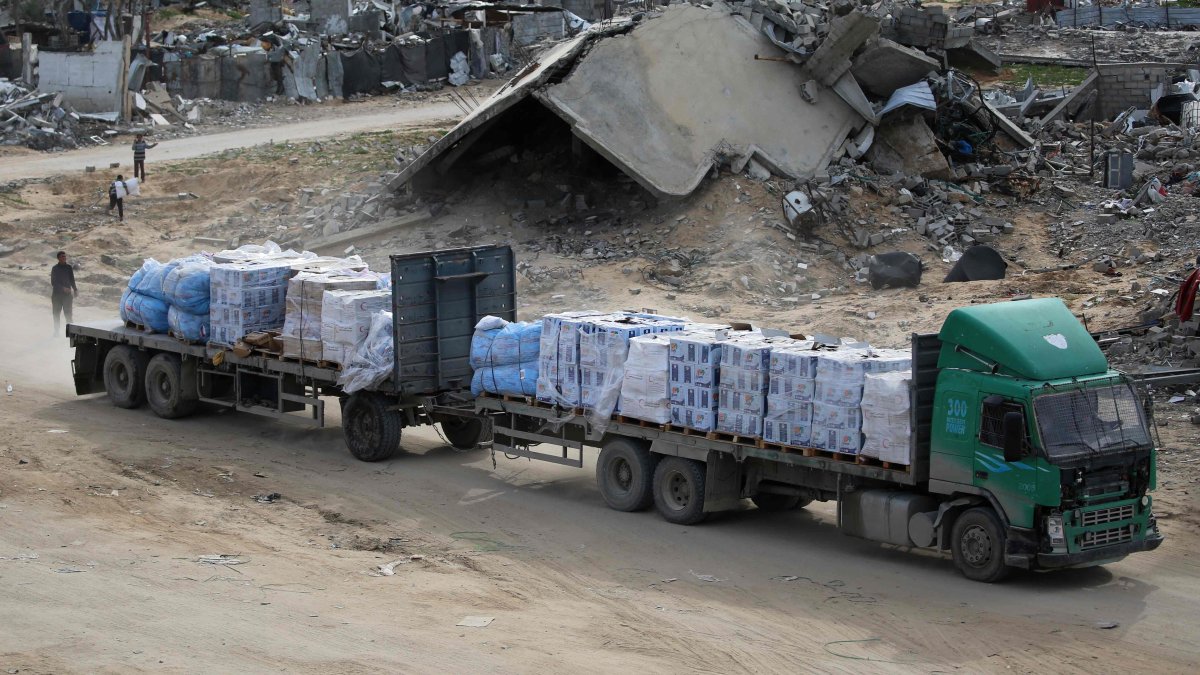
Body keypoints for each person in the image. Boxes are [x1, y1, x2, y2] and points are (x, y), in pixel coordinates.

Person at [51, 251, 77, 335]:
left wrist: (75, 289)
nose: (64, 258)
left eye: (65, 256)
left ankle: (70, 333)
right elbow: (53, 282)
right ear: (58, 258)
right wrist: (63, 288)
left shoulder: (69, 267)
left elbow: (72, 279)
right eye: (62, 256)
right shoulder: (55, 268)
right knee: (56, 314)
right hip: (57, 296)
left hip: (67, 296)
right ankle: (56, 331)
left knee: (68, 314)